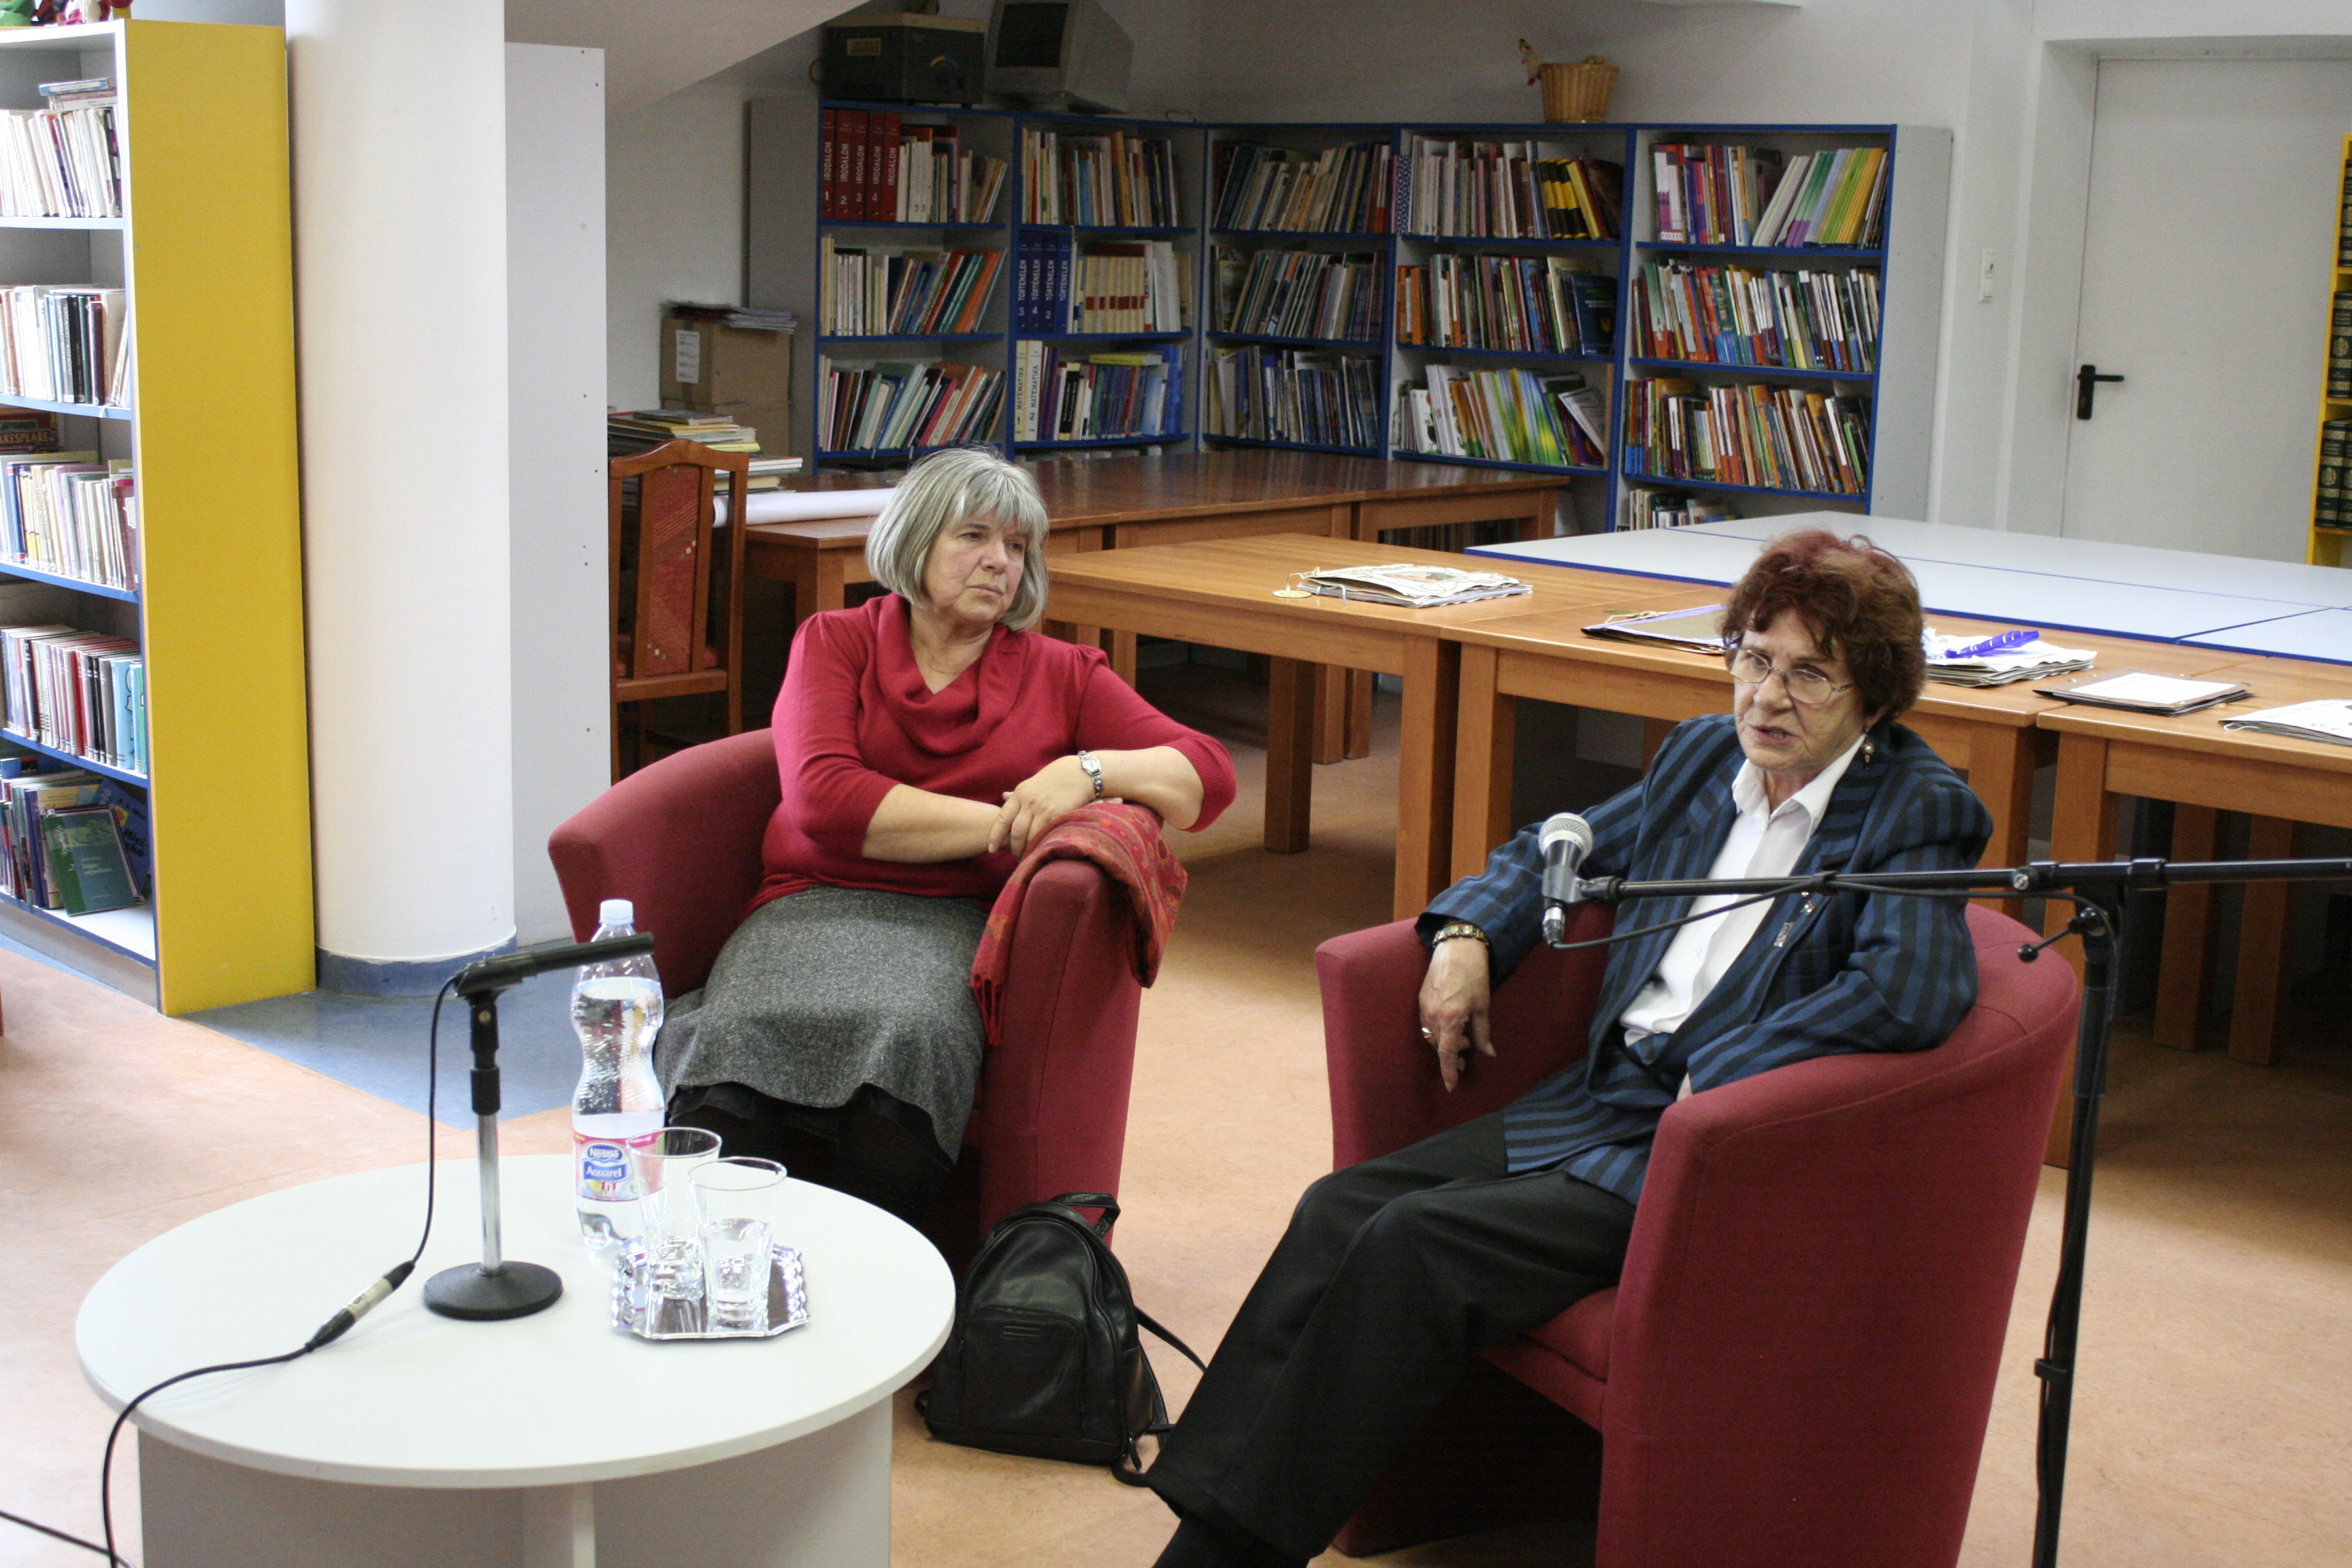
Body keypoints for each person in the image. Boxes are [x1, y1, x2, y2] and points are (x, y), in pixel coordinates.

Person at [1142, 529, 1993, 1568]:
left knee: (1415, 1245)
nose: (1768, 698)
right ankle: (1211, 1517)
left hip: (1706, 1148)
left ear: (1875, 695)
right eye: (1754, 658)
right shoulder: (1703, 757)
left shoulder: (1912, 811)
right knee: (1339, 1209)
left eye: (1811, 674)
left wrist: (1718, 1069)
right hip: (1598, 1101)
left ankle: (1222, 1556)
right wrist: (1466, 933)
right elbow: (1563, 845)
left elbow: (1911, 991)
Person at [657, 447, 1236, 1226]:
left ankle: (876, 1273)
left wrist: (1085, 774)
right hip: (808, 904)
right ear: (917, 539)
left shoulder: (1063, 672)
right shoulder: (835, 640)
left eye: (1017, 545)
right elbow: (828, 802)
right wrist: (1016, 823)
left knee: (912, 1048)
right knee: (728, 1055)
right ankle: (730, 1262)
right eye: (974, 536)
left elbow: (1208, 779)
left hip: (954, 920)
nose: (1000, 561)